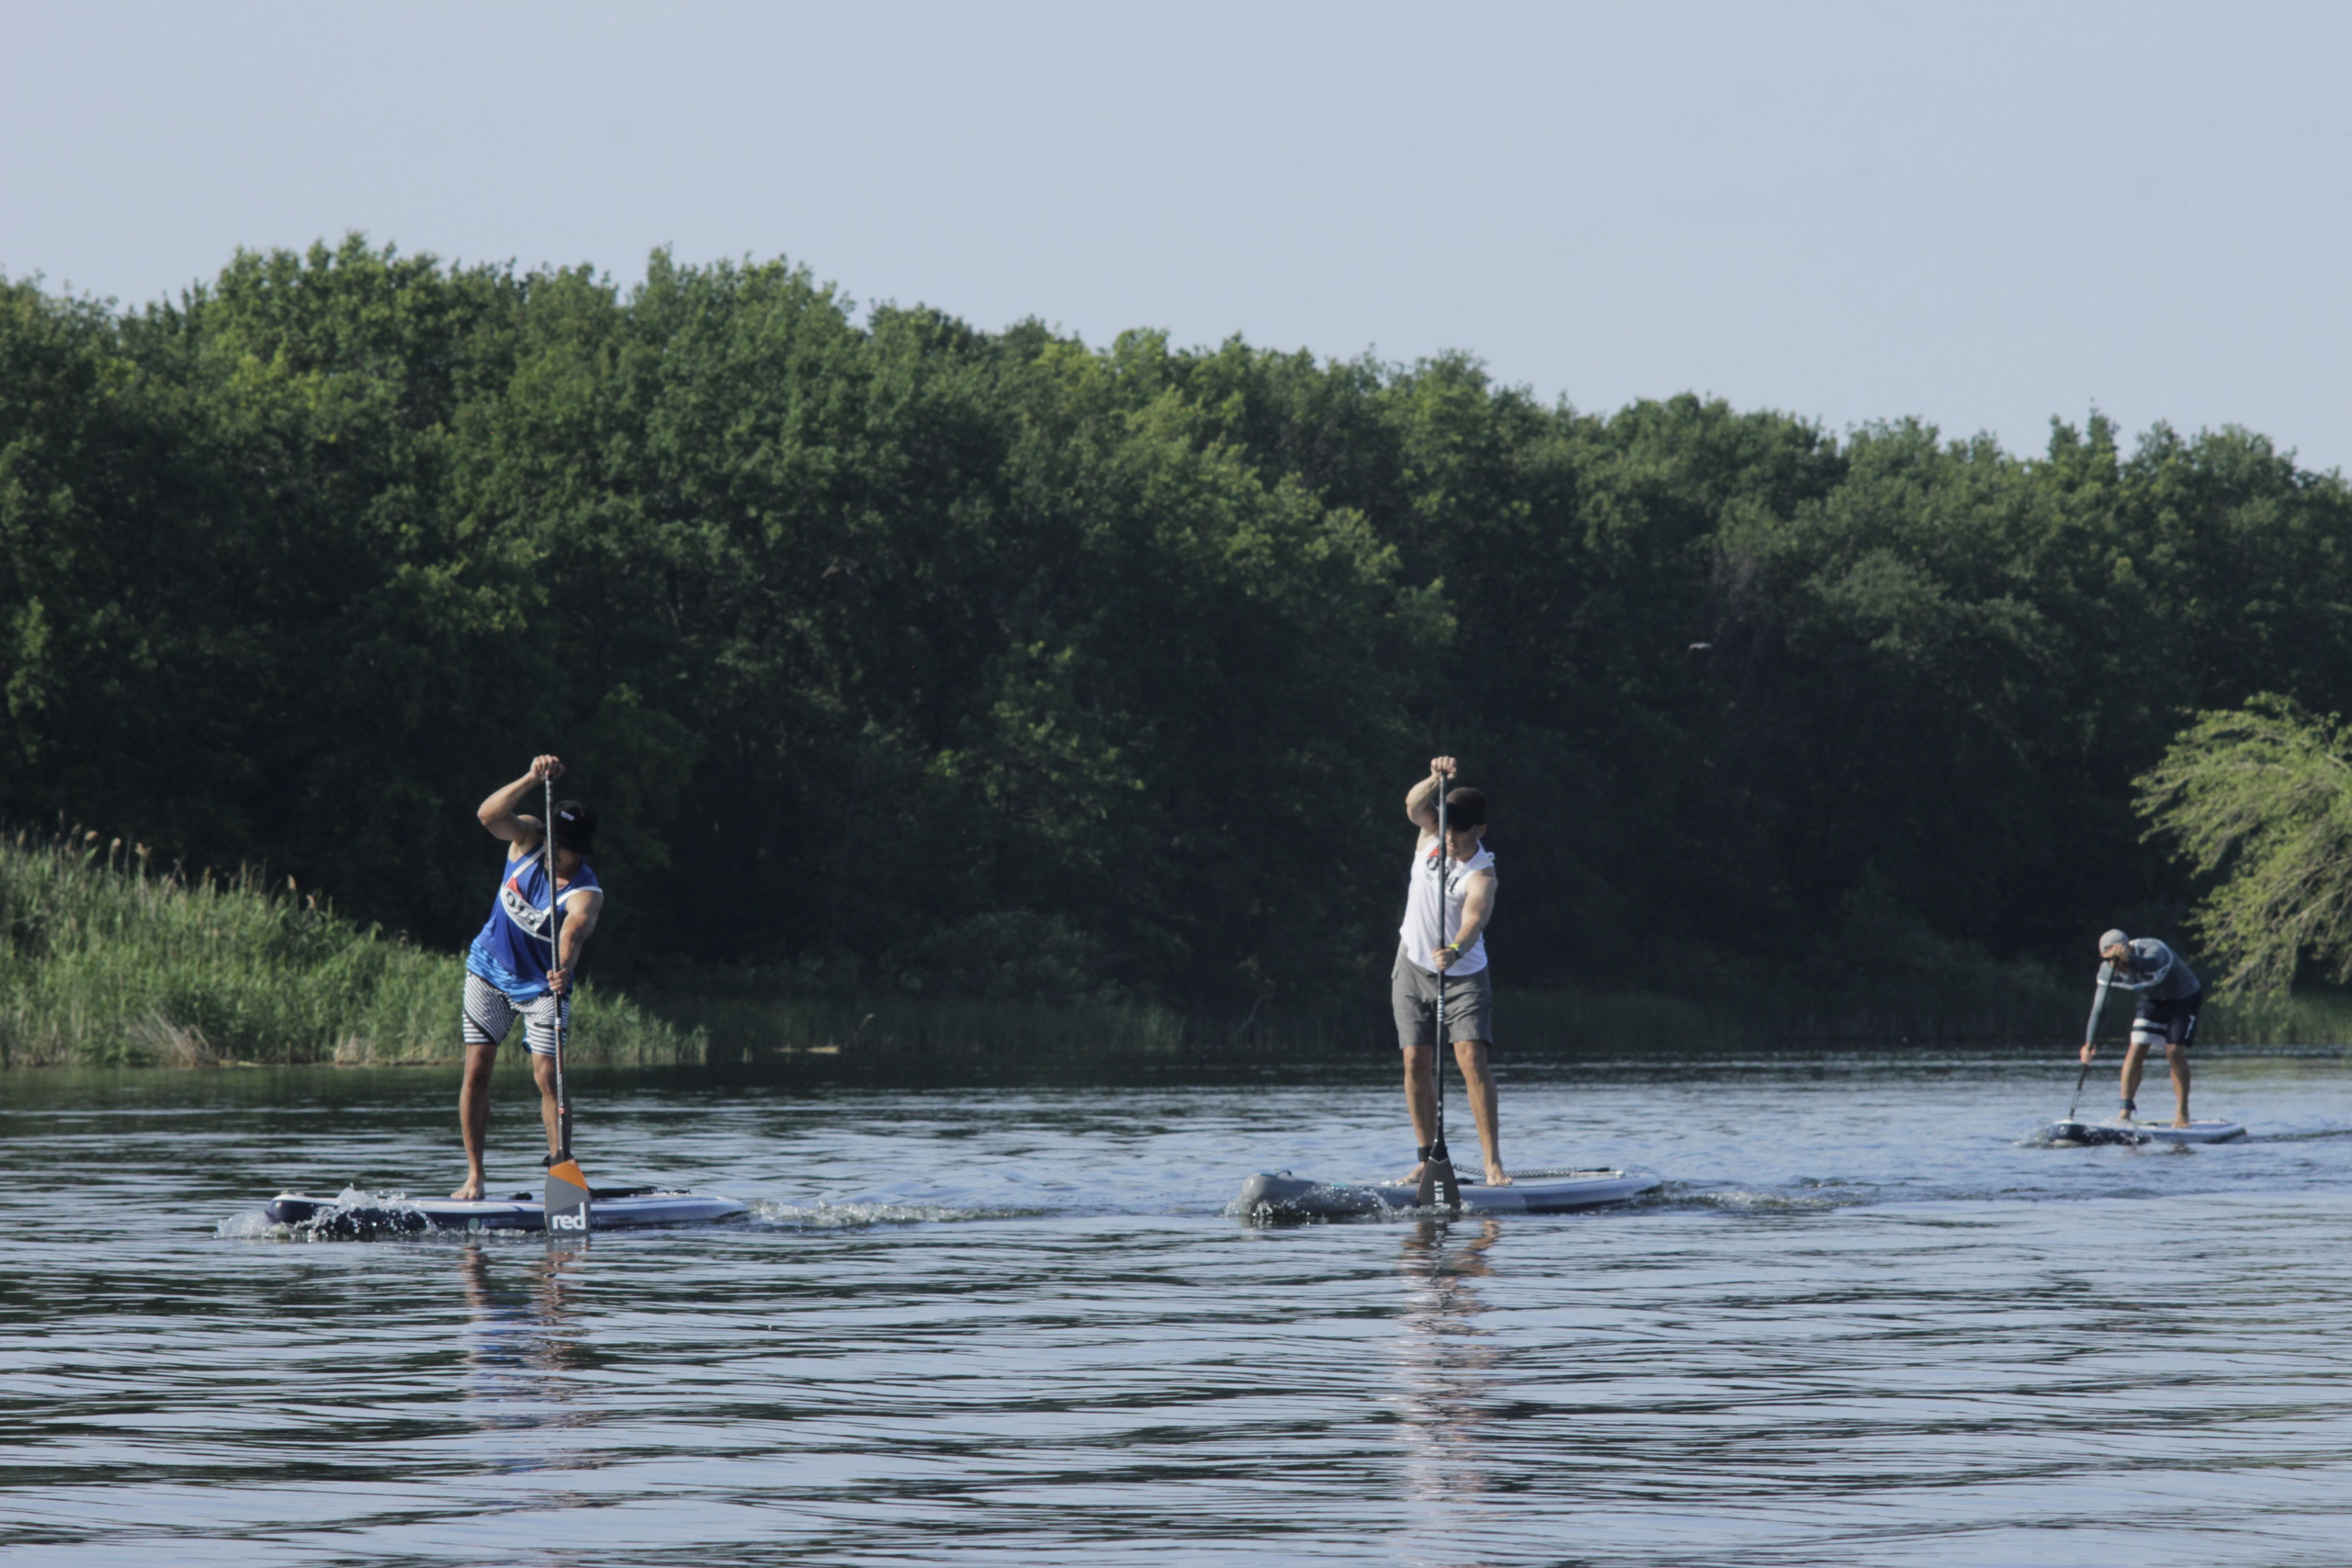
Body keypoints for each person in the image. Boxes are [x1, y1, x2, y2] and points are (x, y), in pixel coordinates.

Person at [452, 755, 605, 1201]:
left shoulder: (586, 892)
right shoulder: (528, 839)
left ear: (581, 851)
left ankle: (562, 1174)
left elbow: (572, 934)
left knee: (547, 1076)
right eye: (552, 840)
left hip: (542, 985)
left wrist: (564, 968)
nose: (553, 850)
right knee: (476, 1070)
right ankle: (475, 1178)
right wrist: (531, 778)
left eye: (563, 847)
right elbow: (488, 816)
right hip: (488, 969)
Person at [1394, 756, 1507, 1185]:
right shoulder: (1429, 834)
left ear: (1479, 829)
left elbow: (1475, 919)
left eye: (1460, 831)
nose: (1450, 838)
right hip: (1411, 965)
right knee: (1413, 1060)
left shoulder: (1482, 873)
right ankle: (1427, 1158)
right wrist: (1435, 777)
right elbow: (1412, 805)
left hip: (1463, 974)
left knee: (1470, 1059)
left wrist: (1456, 949)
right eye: (1446, 827)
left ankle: (1492, 1164)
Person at [2079, 927, 2200, 1127]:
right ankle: (2125, 1112)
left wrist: (2128, 960)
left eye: (2121, 961)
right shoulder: (2106, 970)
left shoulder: (2154, 950)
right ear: (2103, 956)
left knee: (2173, 1051)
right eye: (2113, 961)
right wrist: (2089, 1042)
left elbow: (2147, 964)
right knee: (2136, 1048)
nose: (2120, 967)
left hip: (2184, 997)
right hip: (2152, 1000)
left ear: (2129, 949)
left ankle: (2182, 1114)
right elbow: (2100, 1009)